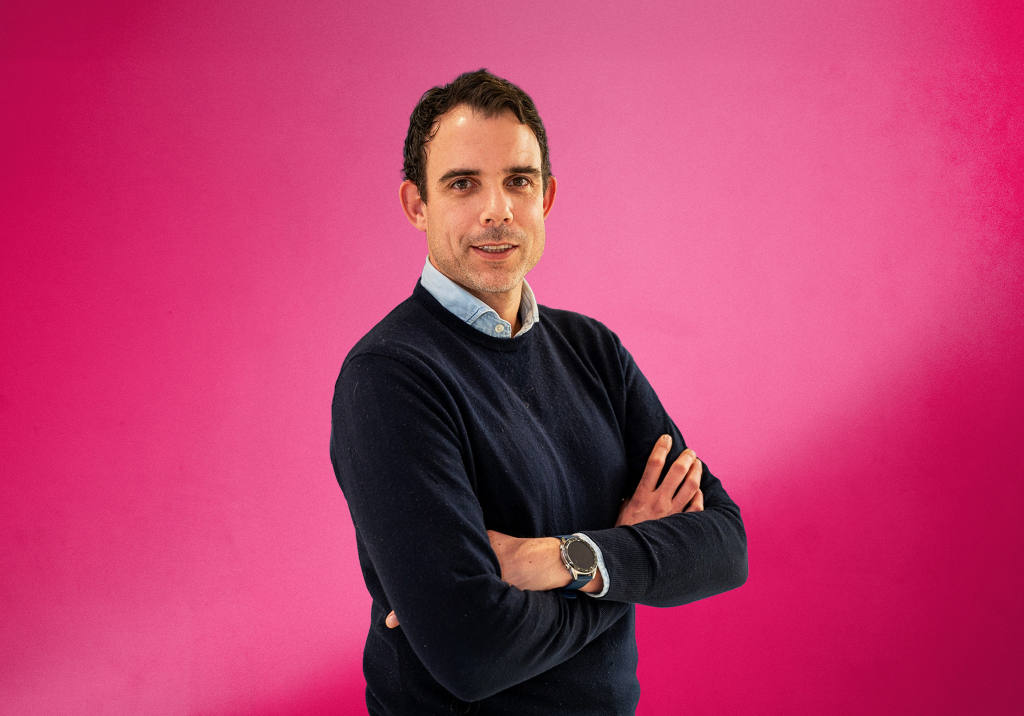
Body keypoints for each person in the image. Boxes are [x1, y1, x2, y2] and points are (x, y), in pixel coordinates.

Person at [330, 69, 747, 716]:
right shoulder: (389, 377)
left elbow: (723, 546)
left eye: (518, 181)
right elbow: (472, 652)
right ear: (417, 205)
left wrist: (556, 558)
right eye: (463, 183)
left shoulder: (594, 351)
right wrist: (618, 565)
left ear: (546, 196)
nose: (497, 209)